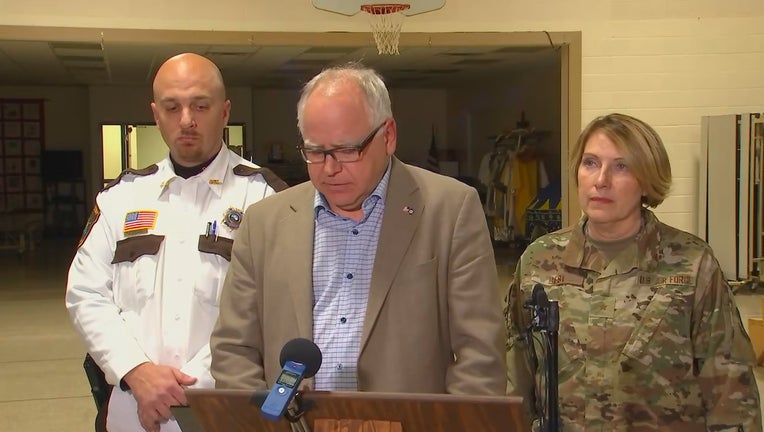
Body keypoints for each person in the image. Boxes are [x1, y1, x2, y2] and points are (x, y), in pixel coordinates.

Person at [210, 63, 506, 395]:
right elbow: (234, 350)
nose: (330, 169)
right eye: (315, 152)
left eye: (348, 150)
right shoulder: (264, 222)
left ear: (388, 136)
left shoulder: (451, 210)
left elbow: (479, 355)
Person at [66, 53, 286, 432]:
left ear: (225, 111)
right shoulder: (120, 198)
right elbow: (85, 294)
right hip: (132, 407)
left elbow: (276, 307)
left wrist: (189, 384)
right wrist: (137, 371)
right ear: (155, 114)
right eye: (172, 107)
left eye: (201, 105)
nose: (186, 120)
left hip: (223, 406)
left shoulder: (267, 198)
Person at [504, 113, 762, 431]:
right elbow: (517, 377)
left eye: (621, 166)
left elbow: (730, 391)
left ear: (646, 179)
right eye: (590, 163)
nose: (601, 180)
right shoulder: (540, 260)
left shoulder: (690, 262)